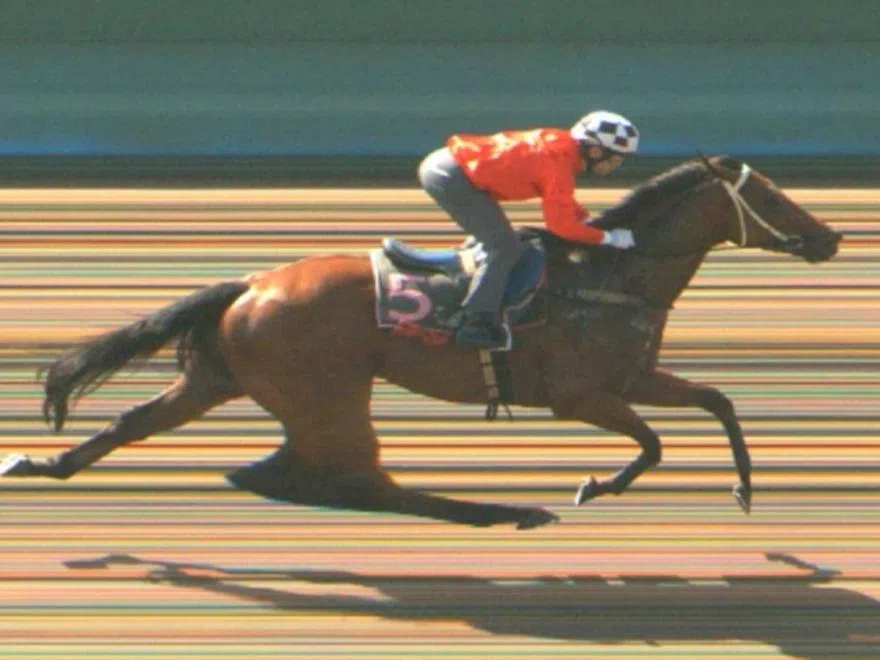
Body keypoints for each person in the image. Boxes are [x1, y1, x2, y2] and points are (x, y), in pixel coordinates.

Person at [417, 110, 640, 349]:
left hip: (452, 168)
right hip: (451, 177)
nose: (616, 166)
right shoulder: (559, 164)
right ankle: (475, 323)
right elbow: (561, 226)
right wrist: (606, 238)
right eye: (616, 159)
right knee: (504, 248)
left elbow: (560, 199)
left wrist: (584, 220)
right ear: (596, 151)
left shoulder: (562, 148)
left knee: (501, 239)